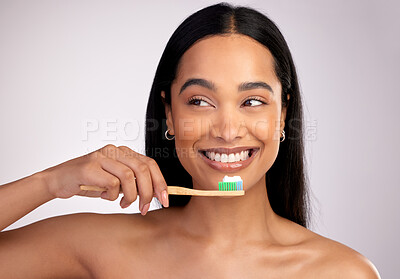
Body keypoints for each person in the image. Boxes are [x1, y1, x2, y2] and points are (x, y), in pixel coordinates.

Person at [0, 2, 380, 278]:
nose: (228, 130)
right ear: (169, 113)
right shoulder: (99, 246)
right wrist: (48, 182)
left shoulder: (342, 271)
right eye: (200, 101)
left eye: (252, 101)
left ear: (282, 114)